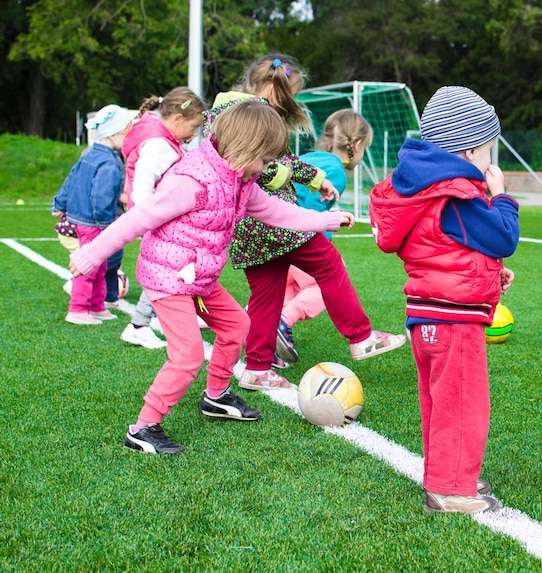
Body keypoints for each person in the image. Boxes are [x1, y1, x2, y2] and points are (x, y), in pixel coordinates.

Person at [68, 99, 355, 454]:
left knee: (238, 326)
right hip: (168, 278)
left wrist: (325, 220)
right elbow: (139, 218)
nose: (268, 169)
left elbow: (276, 212)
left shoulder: (241, 180)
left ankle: (216, 396)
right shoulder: (191, 181)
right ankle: (143, 428)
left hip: (198, 278)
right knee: (187, 355)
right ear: (245, 148)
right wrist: (91, 254)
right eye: (266, 160)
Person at [203, 53, 405, 392]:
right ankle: (361, 336)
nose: (290, 103)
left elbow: (281, 159)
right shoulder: (246, 113)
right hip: (273, 221)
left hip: (248, 228)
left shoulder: (228, 109)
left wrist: (316, 180)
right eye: (289, 95)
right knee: (328, 263)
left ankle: (256, 367)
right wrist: (289, 180)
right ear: (271, 87)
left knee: (268, 294)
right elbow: (259, 166)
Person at [369, 86, 519, 514]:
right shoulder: (456, 195)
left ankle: (447, 474)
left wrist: (490, 275)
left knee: (440, 403)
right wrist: (502, 196)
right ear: (470, 150)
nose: (492, 161)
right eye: (490, 150)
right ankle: (450, 489)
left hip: (428, 316)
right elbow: (503, 236)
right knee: (463, 404)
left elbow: (445, 249)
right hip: (453, 322)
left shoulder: (425, 190)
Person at [274, 109, 374, 365]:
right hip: (297, 238)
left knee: (283, 289)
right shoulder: (337, 172)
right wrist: (326, 232)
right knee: (322, 285)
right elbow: (311, 210)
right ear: (358, 144)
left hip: (273, 234)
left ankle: (259, 329)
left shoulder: (308, 158)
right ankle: (284, 321)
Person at [119, 87, 206, 350]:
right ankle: (138, 325)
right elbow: (143, 186)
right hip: (159, 221)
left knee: (177, 268)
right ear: (177, 119)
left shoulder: (162, 140)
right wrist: (151, 217)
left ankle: (160, 319)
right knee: (167, 271)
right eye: (193, 127)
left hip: (160, 219)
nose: (193, 136)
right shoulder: (160, 146)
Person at [53, 104, 134, 325]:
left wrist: (59, 202)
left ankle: (96, 306)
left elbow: (71, 178)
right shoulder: (109, 162)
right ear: (116, 133)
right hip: (95, 222)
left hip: (84, 219)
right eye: (127, 133)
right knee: (90, 265)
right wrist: (107, 224)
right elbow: (102, 196)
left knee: (100, 264)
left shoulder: (90, 154)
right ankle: (78, 309)